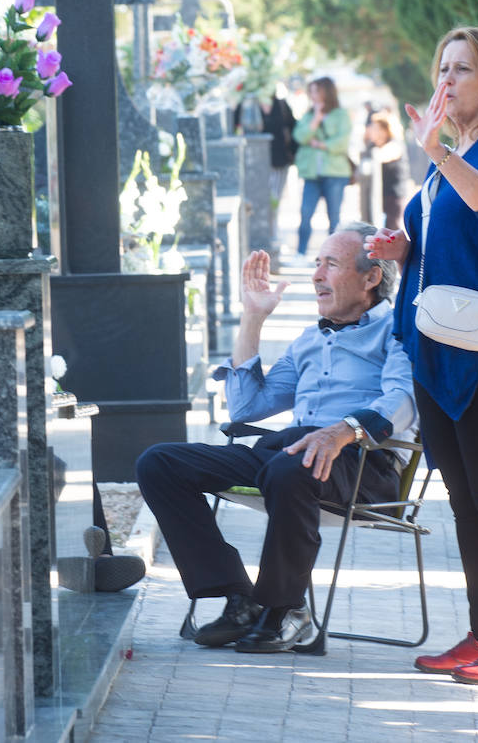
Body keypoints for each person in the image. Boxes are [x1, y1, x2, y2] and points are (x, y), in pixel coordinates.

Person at [136, 224, 415, 654]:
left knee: (291, 466)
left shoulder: (399, 330)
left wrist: (343, 430)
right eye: (317, 263)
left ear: (371, 277)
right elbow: (247, 409)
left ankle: (285, 610)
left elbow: (402, 400)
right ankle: (240, 598)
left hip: (363, 460)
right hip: (292, 453)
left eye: (331, 264)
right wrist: (254, 316)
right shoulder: (309, 340)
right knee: (160, 463)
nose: (317, 274)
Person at [365, 26, 478, 685]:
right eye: (442, 67)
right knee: (466, 497)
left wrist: (437, 150)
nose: (445, 81)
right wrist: (402, 253)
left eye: (461, 70)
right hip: (437, 343)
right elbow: (454, 244)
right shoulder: (453, 156)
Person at [292, 77, 352, 256]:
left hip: (335, 172)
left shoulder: (341, 114)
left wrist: (321, 145)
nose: (313, 95)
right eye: (311, 91)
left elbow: (342, 141)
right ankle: (301, 252)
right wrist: (316, 120)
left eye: (317, 91)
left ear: (327, 92)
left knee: (334, 216)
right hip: (311, 173)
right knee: (305, 213)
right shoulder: (308, 115)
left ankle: (333, 256)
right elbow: (300, 137)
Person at [234, 86, 299, 245]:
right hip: (252, 165)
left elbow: (293, 130)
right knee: (254, 202)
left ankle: (271, 236)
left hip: (278, 163)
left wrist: (292, 157)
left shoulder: (281, 105)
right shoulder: (246, 104)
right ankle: (254, 238)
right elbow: (234, 127)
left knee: (273, 202)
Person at [361, 108, 417, 231]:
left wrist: (376, 155)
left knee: (392, 228)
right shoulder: (371, 146)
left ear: (385, 130)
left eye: (375, 128)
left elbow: (386, 154)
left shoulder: (395, 144)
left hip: (394, 195)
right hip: (377, 195)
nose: (372, 131)